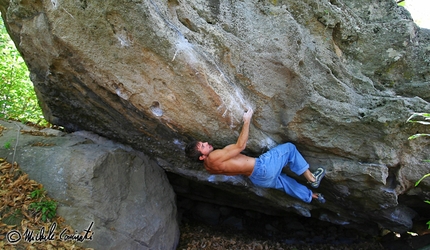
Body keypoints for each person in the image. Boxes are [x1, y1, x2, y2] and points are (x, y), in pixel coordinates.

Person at [185, 108, 326, 203]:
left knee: (286, 183)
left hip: (258, 179)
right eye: (202, 146)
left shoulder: (209, 168)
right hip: (262, 168)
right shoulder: (214, 156)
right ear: (201, 157)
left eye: (202, 142)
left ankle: (312, 196)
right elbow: (241, 146)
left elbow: (232, 171)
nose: (206, 143)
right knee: (289, 148)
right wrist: (247, 120)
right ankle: (312, 178)